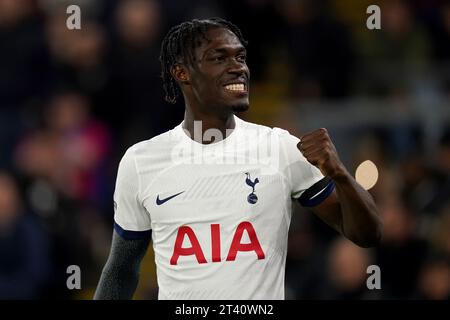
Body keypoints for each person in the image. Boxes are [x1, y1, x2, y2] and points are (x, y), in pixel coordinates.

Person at [94, 17, 382, 300]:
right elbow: (121, 271)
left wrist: (340, 174)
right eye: (219, 58)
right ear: (182, 73)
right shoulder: (142, 161)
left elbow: (366, 234)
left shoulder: (279, 148)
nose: (238, 68)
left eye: (241, 57)